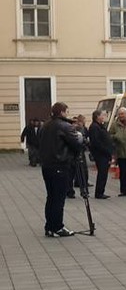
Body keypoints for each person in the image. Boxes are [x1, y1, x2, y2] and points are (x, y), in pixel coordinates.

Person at [38, 102, 83, 237]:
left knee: (51, 196)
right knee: (59, 198)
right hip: (60, 165)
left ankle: (49, 226)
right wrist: (80, 137)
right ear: (62, 112)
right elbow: (76, 143)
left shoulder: (45, 125)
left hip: (46, 166)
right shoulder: (65, 126)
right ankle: (57, 227)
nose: (68, 114)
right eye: (67, 111)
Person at [88, 110, 114, 199]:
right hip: (101, 154)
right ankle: (99, 192)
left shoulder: (100, 126)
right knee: (102, 173)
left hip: (104, 153)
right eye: (102, 115)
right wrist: (106, 150)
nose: (104, 116)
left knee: (104, 173)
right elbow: (96, 142)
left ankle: (101, 191)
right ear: (97, 117)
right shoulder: (94, 127)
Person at [67, 115, 89, 198]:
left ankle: (83, 190)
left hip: (78, 154)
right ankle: (71, 191)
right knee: (71, 175)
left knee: (79, 173)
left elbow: (84, 141)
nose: (75, 125)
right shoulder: (70, 132)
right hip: (73, 156)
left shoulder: (79, 131)